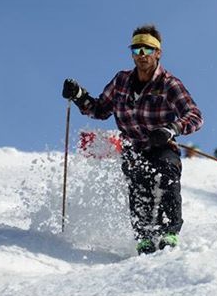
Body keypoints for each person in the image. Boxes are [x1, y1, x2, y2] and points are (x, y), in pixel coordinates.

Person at [62, 24, 203, 254]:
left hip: (161, 145)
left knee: (166, 173)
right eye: (136, 50)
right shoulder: (121, 81)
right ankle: (145, 238)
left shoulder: (169, 84)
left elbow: (195, 116)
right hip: (133, 148)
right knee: (139, 185)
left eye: (147, 50)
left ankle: (169, 233)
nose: (141, 56)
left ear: (158, 53)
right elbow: (99, 109)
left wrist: (171, 129)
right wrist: (79, 96)